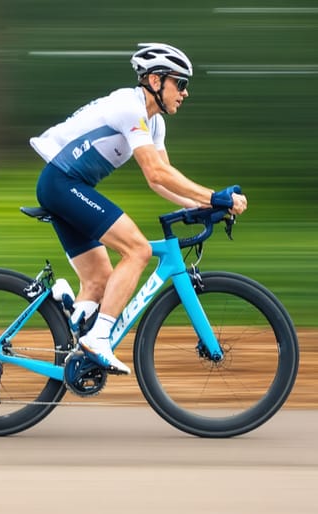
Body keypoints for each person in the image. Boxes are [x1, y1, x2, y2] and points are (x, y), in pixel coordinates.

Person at [30, 42, 248, 374]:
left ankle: (71, 334)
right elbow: (156, 172)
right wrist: (215, 195)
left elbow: (162, 182)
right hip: (61, 183)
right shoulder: (129, 107)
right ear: (156, 80)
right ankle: (98, 338)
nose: (185, 93)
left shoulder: (154, 123)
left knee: (101, 281)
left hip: (68, 187)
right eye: (181, 83)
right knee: (137, 250)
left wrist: (203, 205)